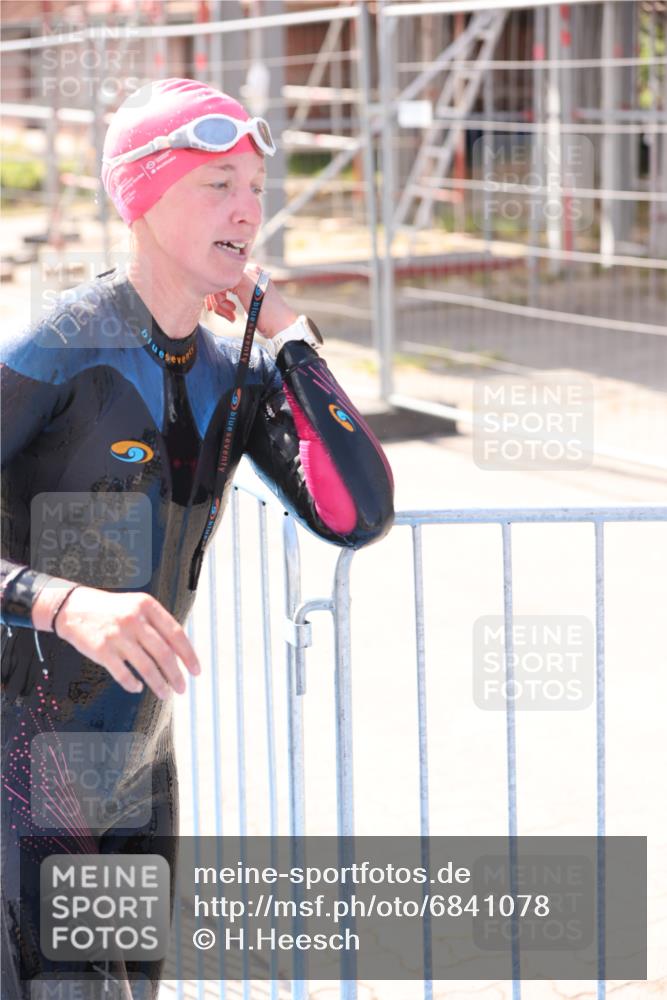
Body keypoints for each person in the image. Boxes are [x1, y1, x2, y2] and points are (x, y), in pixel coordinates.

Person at [0, 77, 394, 998]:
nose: (248, 210)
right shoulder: (59, 346)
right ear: (141, 198)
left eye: (255, 187)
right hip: (24, 763)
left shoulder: (236, 371)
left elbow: (357, 512)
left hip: (139, 769)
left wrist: (294, 343)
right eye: (218, 184)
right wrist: (59, 602)